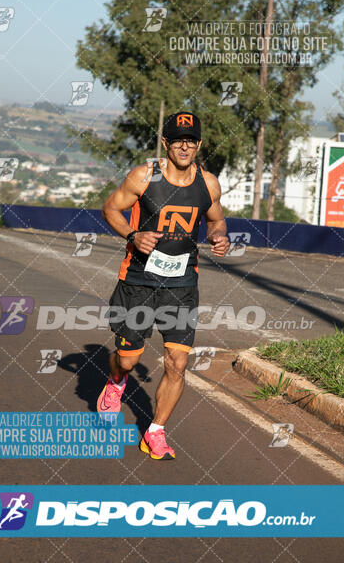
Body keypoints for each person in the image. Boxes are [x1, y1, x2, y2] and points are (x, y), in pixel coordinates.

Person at [97, 111, 229, 460]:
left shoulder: (209, 183)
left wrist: (219, 237)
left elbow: (216, 220)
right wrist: (132, 234)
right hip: (139, 282)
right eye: (178, 140)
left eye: (191, 140)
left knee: (177, 364)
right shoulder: (143, 176)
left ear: (198, 144)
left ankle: (155, 431)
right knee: (127, 361)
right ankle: (116, 381)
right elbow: (110, 209)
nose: (185, 146)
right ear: (166, 143)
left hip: (182, 285)